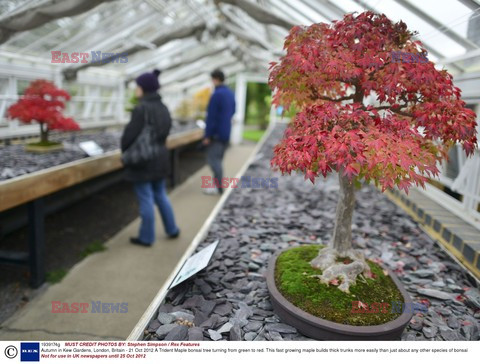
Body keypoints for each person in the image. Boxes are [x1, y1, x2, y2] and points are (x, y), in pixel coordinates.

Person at [121, 69, 180, 246]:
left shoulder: (141, 108)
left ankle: (146, 237)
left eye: (137, 86)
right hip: (160, 157)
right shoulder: (164, 108)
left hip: (143, 160)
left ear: (143, 88)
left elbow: (129, 136)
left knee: (146, 198)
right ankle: (172, 229)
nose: (135, 89)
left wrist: (125, 151)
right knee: (161, 194)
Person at [203, 69, 236, 195]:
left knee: (213, 160)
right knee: (219, 159)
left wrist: (207, 135)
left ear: (215, 79)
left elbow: (211, 117)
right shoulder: (230, 94)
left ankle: (218, 187)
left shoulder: (216, 95)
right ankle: (217, 185)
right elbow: (233, 110)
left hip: (216, 134)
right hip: (226, 132)